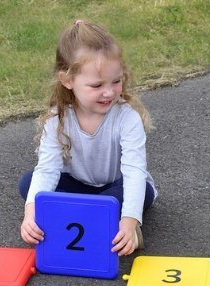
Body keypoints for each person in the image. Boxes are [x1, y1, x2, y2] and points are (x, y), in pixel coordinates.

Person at [19, 20, 156, 256]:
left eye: (116, 81)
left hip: (117, 186)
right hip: (78, 186)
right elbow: (47, 170)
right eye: (97, 85)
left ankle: (101, 221)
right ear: (67, 81)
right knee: (28, 184)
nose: (109, 92)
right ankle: (95, 219)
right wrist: (30, 214)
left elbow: (134, 173)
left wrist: (130, 221)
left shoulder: (127, 118)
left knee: (138, 191)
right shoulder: (57, 120)